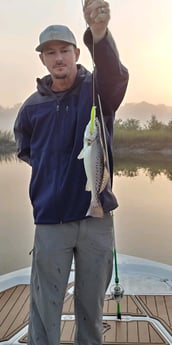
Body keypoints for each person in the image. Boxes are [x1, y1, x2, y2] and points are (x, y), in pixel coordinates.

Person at [14, 1, 129, 344]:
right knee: (44, 308)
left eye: (64, 50)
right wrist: (54, 174)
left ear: (77, 52)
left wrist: (100, 35)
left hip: (96, 217)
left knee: (91, 309)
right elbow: (26, 150)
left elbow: (115, 75)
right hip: (50, 220)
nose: (59, 58)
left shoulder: (98, 91)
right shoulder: (31, 109)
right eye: (51, 53)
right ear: (43, 60)